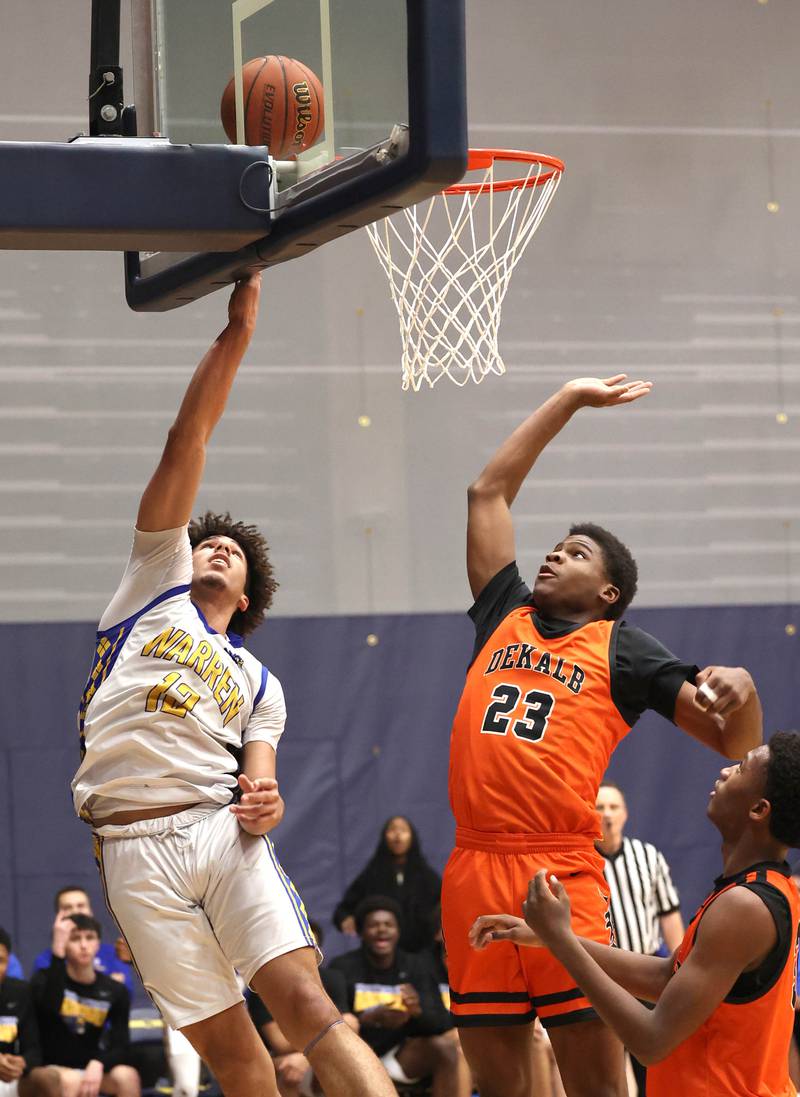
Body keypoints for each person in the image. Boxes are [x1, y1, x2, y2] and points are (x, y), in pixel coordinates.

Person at [69, 276, 395, 1097]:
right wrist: (236, 334)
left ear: (247, 596)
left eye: (230, 551)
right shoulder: (152, 585)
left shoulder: (258, 678)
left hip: (222, 834)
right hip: (132, 844)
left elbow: (263, 780)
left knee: (309, 1005)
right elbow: (190, 438)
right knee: (236, 1055)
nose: (213, 548)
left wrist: (268, 804)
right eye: (204, 541)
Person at [442, 375, 763, 1097]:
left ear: (609, 591)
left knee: (595, 1081)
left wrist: (746, 692)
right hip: (472, 863)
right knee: (501, 1084)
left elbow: (732, 743)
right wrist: (569, 399)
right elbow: (485, 494)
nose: (554, 555)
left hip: (559, 867)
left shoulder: (624, 649)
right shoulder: (505, 611)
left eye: (576, 552)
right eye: (554, 547)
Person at [471, 731, 800, 1097]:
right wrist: (547, 937)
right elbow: (665, 977)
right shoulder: (760, 889)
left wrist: (562, 941)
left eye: (740, 768)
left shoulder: (745, 906)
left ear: (759, 810)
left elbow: (652, 1041)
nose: (724, 771)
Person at [329, 896, 468, 1097]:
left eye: (388, 925)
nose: (382, 929)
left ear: (398, 931)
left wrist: (417, 1012)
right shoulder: (343, 967)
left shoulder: (415, 965)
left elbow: (441, 1023)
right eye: (374, 925)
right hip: (357, 1054)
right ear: (361, 931)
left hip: (400, 1054)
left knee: (446, 1047)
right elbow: (336, 1022)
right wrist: (369, 1019)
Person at [596, 783, 684, 1094]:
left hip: (645, 976)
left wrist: (682, 974)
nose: (606, 814)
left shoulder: (648, 857)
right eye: (599, 807)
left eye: (613, 807)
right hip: (600, 978)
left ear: (625, 814)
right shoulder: (579, 861)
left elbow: (670, 919)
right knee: (606, 1074)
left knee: (652, 1069)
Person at [30, 914, 139, 1097]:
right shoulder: (44, 979)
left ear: (98, 944)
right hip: (51, 1068)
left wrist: (98, 1063)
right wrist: (58, 954)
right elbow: (48, 1009)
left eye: (89, 938)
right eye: (75, 939)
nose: (83, 945)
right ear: (64, 944)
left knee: (128, 1076)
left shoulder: (115, 991)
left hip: (90, 1065)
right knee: (71, 1080)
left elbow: (121, 1046)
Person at [248, 922, 358, 1097]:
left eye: (308, 948)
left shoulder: (332, 978)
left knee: (346, 1057)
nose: (301, 955)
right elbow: (280, 1043)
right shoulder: (263, 985)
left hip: (314, 1055)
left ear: (319, 952)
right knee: (287, 1068)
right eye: (294, 948)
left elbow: (351, 1026)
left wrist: (306, 1059)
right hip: (277, 1059)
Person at [334, 815, 442, 952]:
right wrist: (346, 919)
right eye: (392, 830)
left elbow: (443, 907)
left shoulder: (427, 876)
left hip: (421, 953)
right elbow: (343, 910)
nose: (398, 835)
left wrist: (441, 927)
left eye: (403, 830)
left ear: (412, 837)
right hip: (379, 953)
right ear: (384, 837)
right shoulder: (372, 873)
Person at [32, 888, 132, 991]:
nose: (75, 911)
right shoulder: (46, 960)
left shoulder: (113, 953)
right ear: (58, 916)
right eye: (67, 907)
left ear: (90, 911)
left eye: (81, 906)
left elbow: (124, 990)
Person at [0, 927, 53, 1097]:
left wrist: (22, 1063)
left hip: (9, 1078)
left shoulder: (20, 992)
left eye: (0, 960)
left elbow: (34, 1049)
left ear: (8, 962)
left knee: (48, 1079)